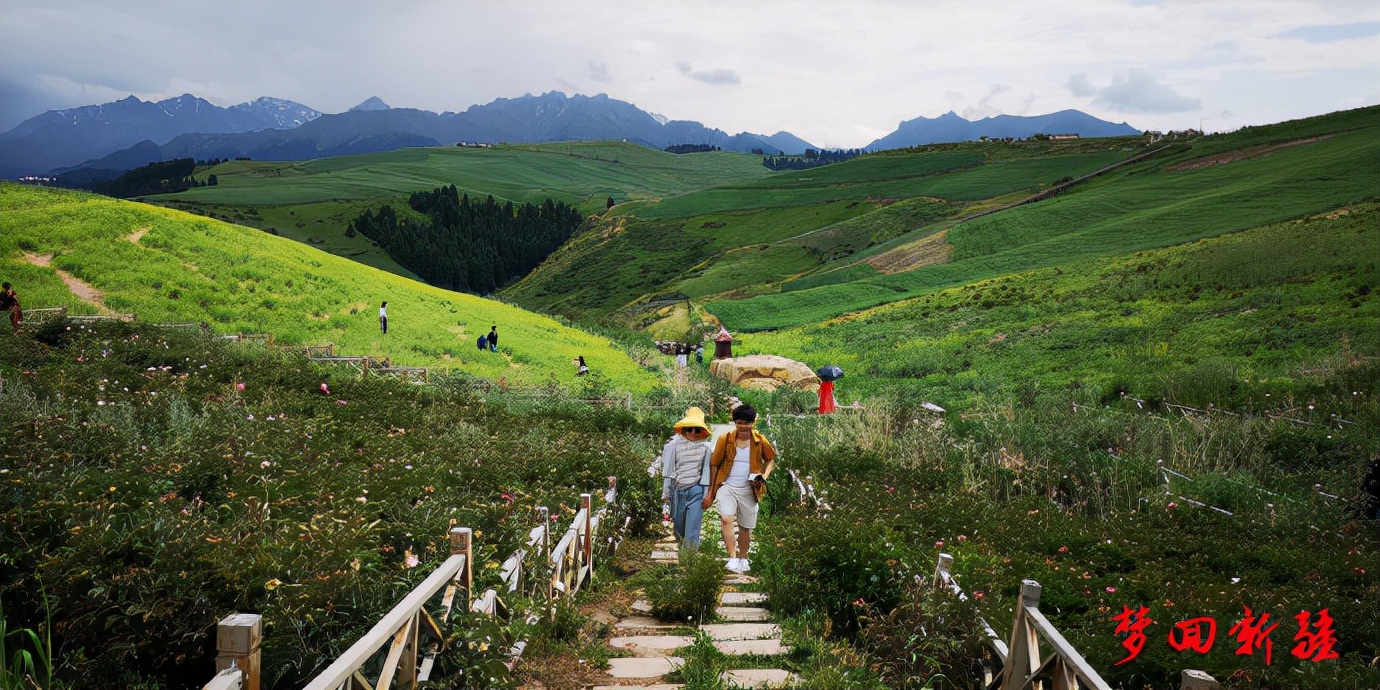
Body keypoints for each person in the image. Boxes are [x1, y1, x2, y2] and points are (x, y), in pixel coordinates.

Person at [704, 404, 777, 573]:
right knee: (726, 519)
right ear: (734, 422)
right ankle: (732, 557)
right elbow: (714, 464)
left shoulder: (759, 441)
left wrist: (764, 476)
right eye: (739, 423)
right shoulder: (725, 439)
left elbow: (771, 459)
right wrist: (711, 490)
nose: (743, 426)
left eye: (747, 423)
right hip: (727, 485)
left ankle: (743, 557)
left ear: (753, 422)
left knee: (745, 527)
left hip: (750, 488)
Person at [661, 407, 714, 550]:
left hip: (696, 490)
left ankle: (689, 560)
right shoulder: (673, 446)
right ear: (684, 430)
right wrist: (666, 493)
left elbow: (707, 472)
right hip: (677, 491)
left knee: (692, 530)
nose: (693, 433)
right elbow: (669, 471)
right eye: (690, 429)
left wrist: (707, 494)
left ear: (702, 431)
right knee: (679, 530)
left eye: (697, 430)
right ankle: (682, 553)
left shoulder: (707, 448)